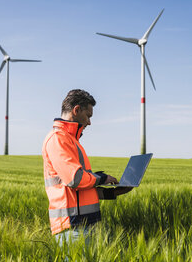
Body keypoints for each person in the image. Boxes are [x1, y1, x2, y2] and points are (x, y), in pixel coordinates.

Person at [42, 89, 132, 245]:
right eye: (88, 116)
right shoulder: (58, 139)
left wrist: (113, 193)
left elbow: (80, 191)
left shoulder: (71, 140)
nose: (89, 122)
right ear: (76, 110)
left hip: (82, 225)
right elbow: (76, 179)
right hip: (73, 226)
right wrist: (103, 178)